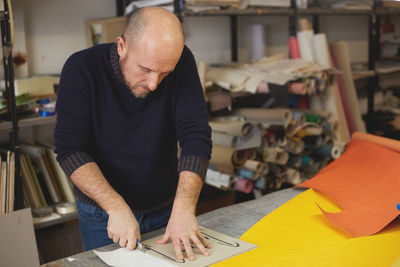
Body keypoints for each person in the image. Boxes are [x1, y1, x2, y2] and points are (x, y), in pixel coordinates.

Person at [54, 6, 212, 261]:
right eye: (146, 69)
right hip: (103, 214)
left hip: (166, 207)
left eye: (164, 73)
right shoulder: (82, 68)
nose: (154, 84)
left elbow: (197, 136)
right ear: (121, 46)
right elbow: (70, 150)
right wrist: (115, 206)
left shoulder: (182, 61)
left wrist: (184, 207)